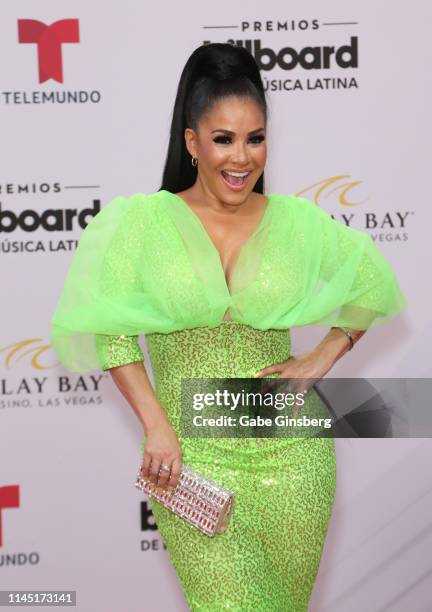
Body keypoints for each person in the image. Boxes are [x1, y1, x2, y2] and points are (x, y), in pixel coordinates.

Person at [50, 43, 407, 611]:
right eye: (223, 139)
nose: (241, 157)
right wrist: (157, 426)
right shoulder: (142, 223)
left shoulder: (296, 223)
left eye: (255, 138)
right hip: (192, 459)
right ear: (192, 142)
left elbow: (373, 286)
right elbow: (114, 336)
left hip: (295, 457)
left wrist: (326, 354)